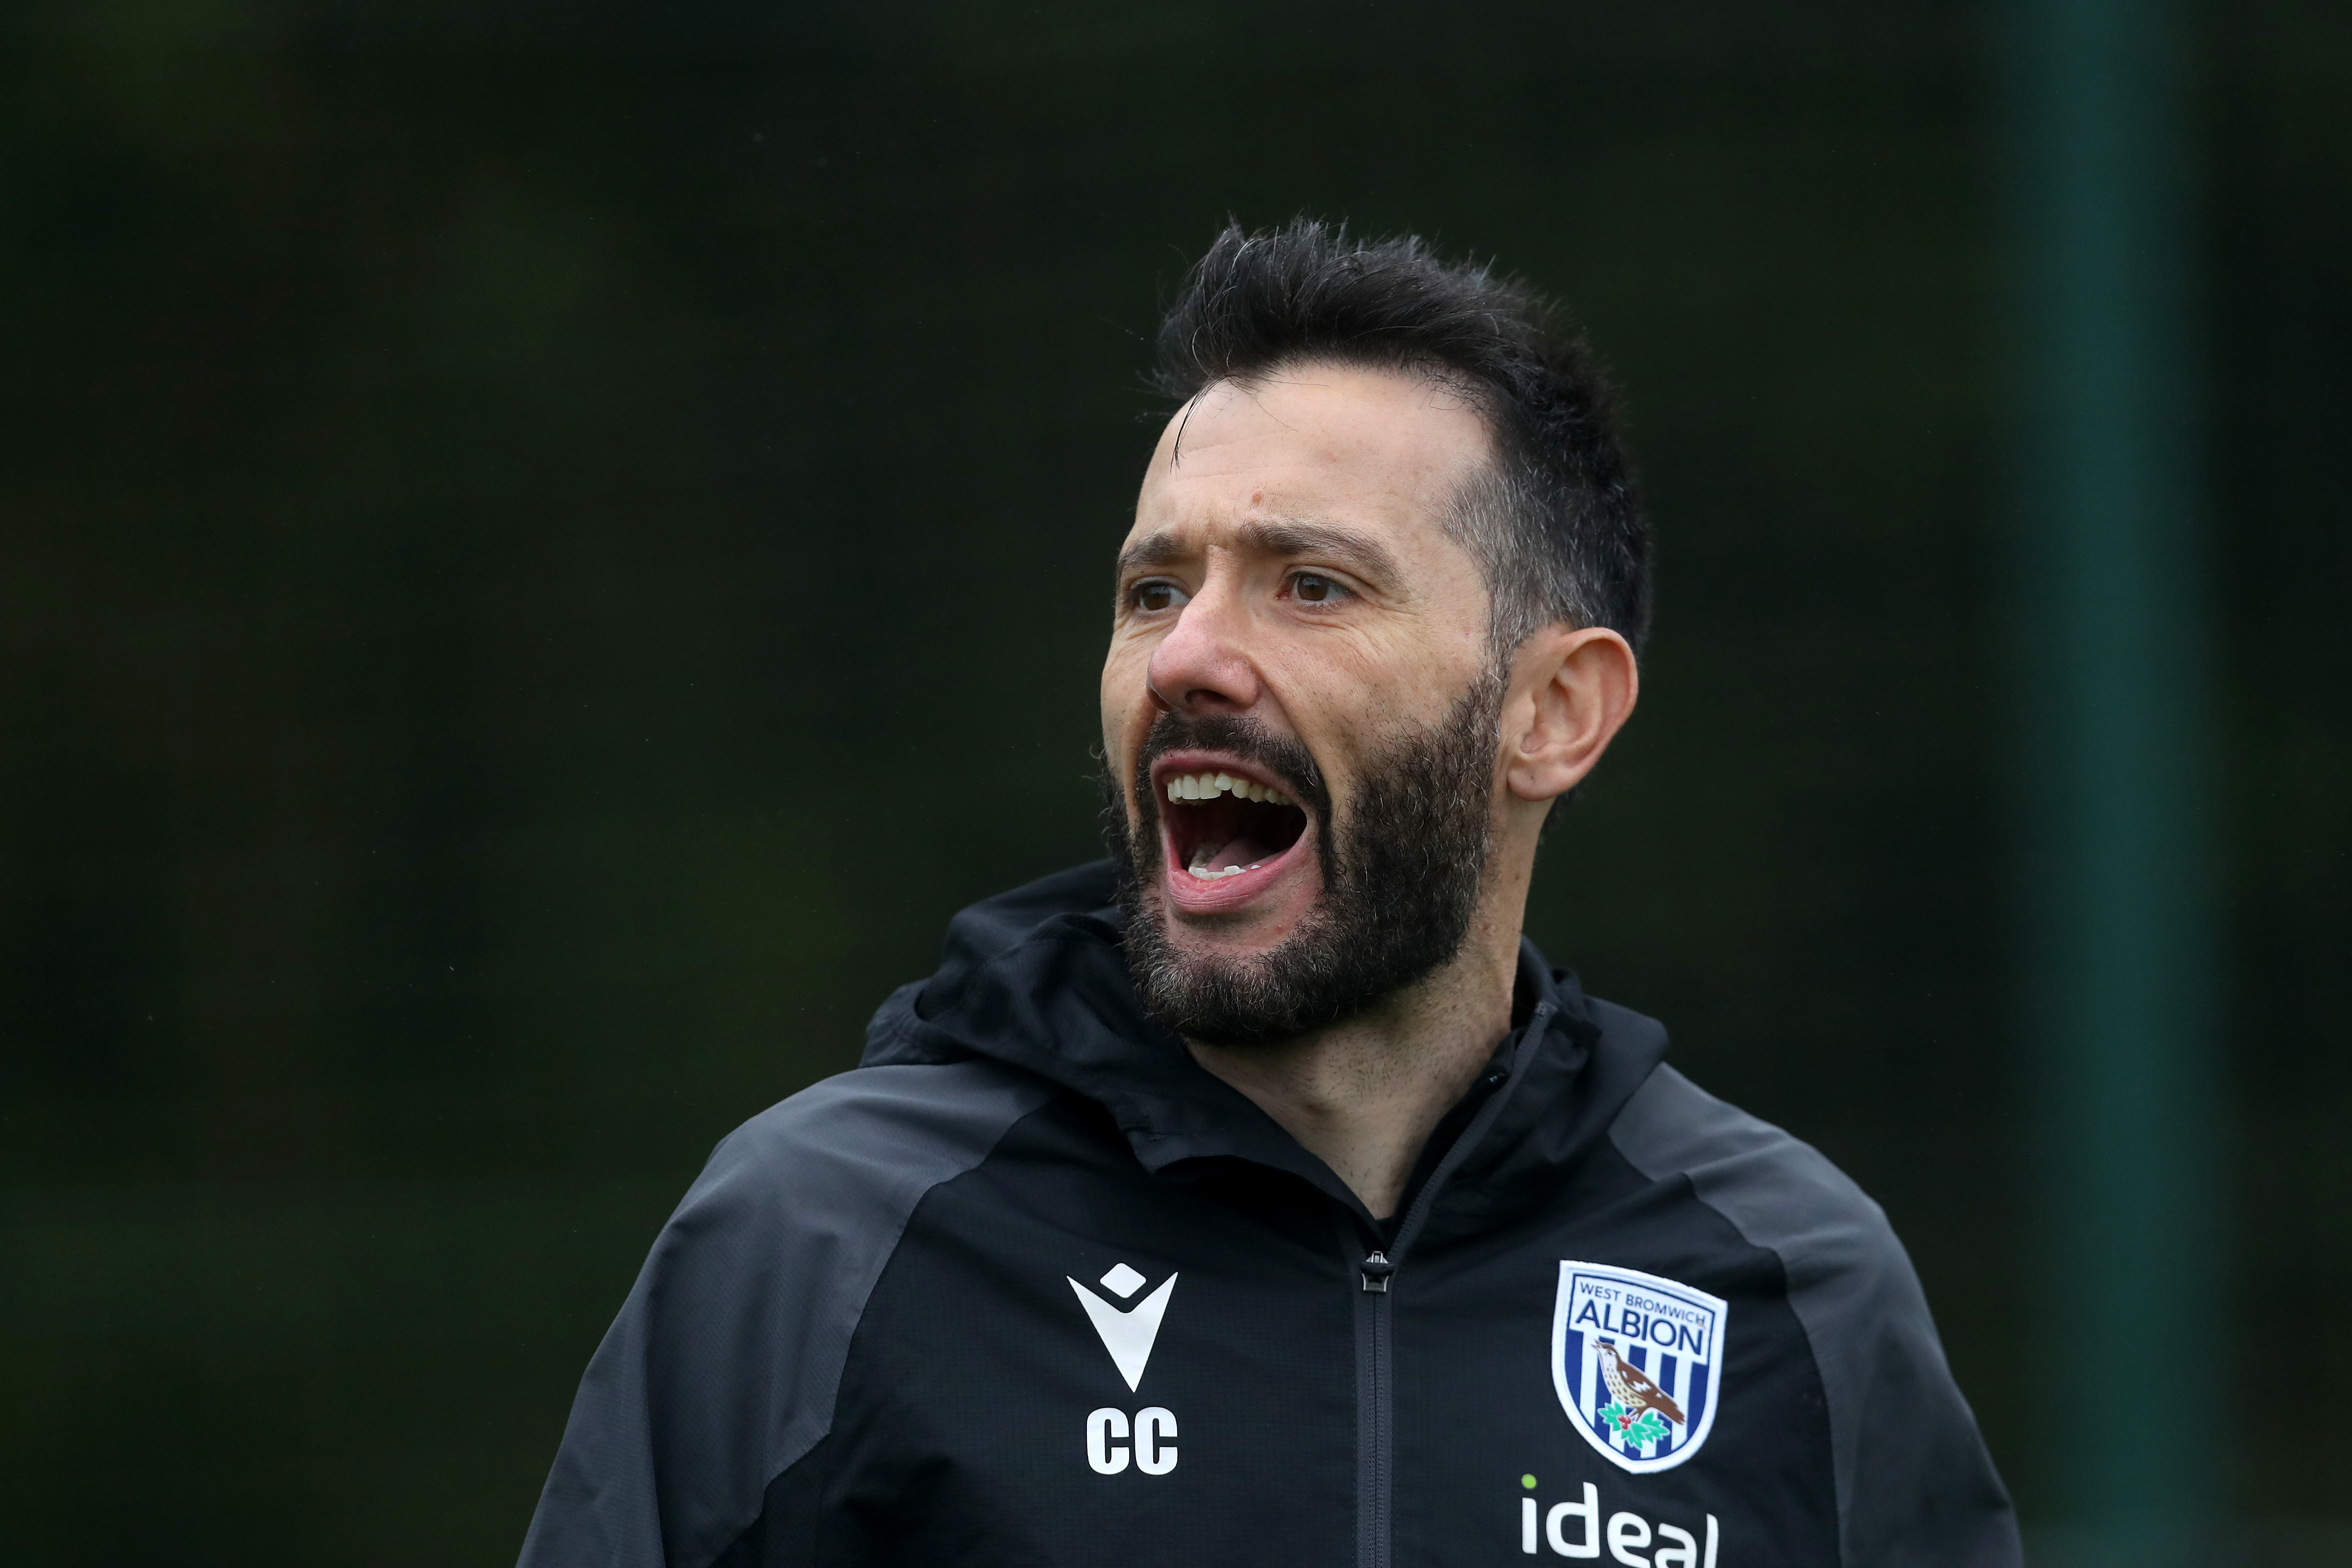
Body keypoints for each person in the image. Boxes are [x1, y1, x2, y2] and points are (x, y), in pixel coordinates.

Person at [516, 219, 2021, 1568]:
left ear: (1554, 711)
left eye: (1310, 584)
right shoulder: (820, 1236)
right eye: (1154, 590)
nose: (1184, 657)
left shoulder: (1791, 1284)